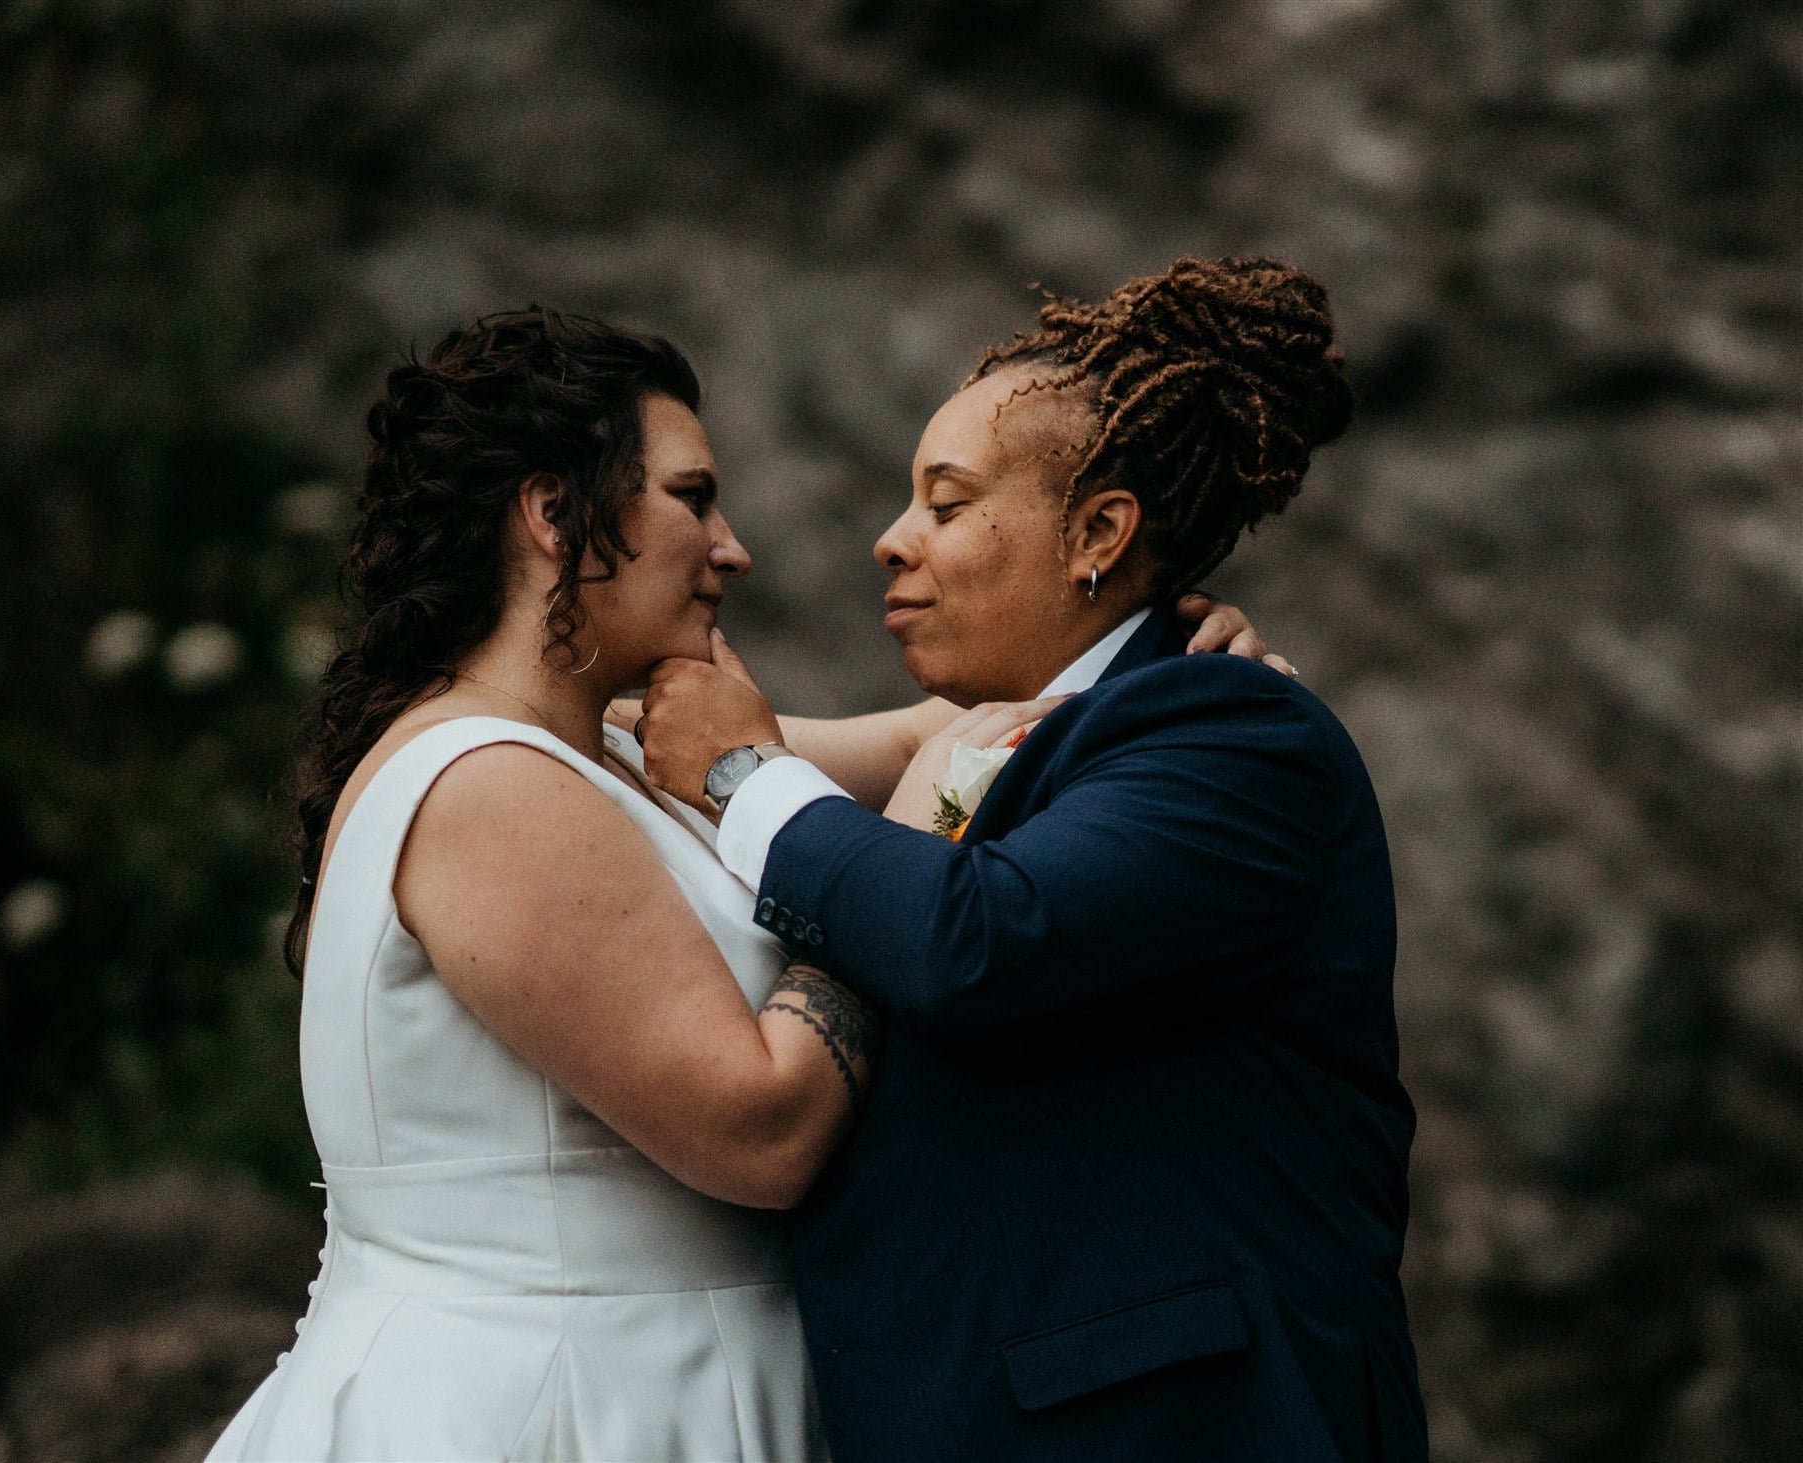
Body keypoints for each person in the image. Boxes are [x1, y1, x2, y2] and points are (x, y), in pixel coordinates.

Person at [207, 306, 1275, 1461]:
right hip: (547, 1405)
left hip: (671, 1387)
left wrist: (1163, 646)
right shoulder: (485, 787)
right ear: (553, 513)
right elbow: (760, 1130)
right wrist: (909, 838)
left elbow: (965, 722)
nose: (732, 547)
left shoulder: (613, 750)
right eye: (692, 496)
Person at [640, 257, 1427, 1462]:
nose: (888, 541)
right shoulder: (1015, 730)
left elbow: (980, 940)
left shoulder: (1232, 728)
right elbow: (661, 752)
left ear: (1097, 532)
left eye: (946, 505)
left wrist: (745, 775)